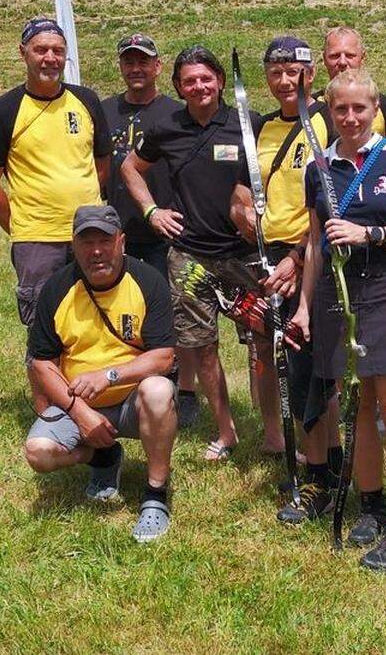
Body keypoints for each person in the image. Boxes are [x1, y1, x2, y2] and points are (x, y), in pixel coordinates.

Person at [293, 69, 386, 572]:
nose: (351, 118)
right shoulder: (318, 168)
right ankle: (372, 505)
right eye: (341, 110)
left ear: (375, 108)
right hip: (340, 297)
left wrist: (369, 234)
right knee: (360, 408)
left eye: (360, 108)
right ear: (329, 113)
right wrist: (304, 306)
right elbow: (314, 243)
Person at [120, 45, 280, 461]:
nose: (199, 86)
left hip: (244, 255)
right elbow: (128, 169)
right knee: (202, 347)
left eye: (206, 78)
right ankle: (226, 430)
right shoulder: (167, 129)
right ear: (177, 86)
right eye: (189, 81)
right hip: (190, 258)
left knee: (263, 344)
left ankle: (274, 433)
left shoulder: (250, 125)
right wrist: (152, 211)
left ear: (221, 82)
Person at [228, 36, 340, 523]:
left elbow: (335, 199)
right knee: (289, 362)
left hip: (313, 258)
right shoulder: (263, 127)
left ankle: (325, 469)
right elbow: (246, 185)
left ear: (308, 74)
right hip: (271, 260)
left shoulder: (331, 120)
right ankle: (317, 464)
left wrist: (297, 256)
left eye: (291, 71)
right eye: (274, 71)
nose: (282, 80)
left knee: (319, 366)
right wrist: (239, 209)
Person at [22, 205, 179, 543]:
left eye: (105, 241)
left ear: (121, 242)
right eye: (86, 242)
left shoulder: (148, 281)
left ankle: (155, 496)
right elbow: (41, 364)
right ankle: (104, 457)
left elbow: (164, 357)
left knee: (158, 390)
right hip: (77, 402)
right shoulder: (57, 288)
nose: (96, 251)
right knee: (37, 452)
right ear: (73, 246)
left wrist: (108, 376)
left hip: (133, 402)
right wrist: (80, 414)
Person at [0, 16, 111, 333]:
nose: (50, 58)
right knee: (45, 329)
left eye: (58, 51)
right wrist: (21, 226)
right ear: (23, 53)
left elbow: (101, 166)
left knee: (97, 323)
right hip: (37, 240)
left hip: (89, 233)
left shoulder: (87, 101)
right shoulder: (3, 111)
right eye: (41, 50)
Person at [100, 33, 200, 427]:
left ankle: (185, 389)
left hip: (166, 230)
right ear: (121, 66)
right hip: (115, 228)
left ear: (158, 67)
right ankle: (127, 383)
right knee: (120, 312)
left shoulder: (177, 113)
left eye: (144, 61)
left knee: (177, 312)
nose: (136, 68)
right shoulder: (103, 110)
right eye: (129, 61)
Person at [318, 27, 386, 149]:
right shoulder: (310, 108)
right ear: (324, 59)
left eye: (350, 55)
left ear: (362, 57)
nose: (342, 62)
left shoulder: (383, 106)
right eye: (335, 56)